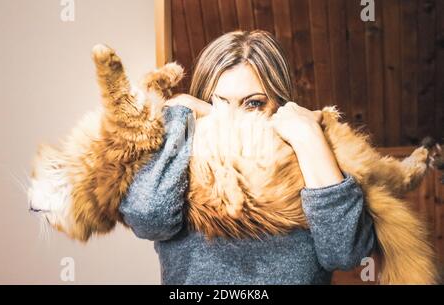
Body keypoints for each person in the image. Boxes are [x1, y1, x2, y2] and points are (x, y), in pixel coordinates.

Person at [119, 30, 374, 284]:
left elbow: (345, 254)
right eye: (218, 102)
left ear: (280, 103)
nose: (234, 119)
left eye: (253, 104)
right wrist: (181, 112)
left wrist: (309, 136)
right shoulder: (181, 149)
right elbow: (148, 218)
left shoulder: (307, 155)